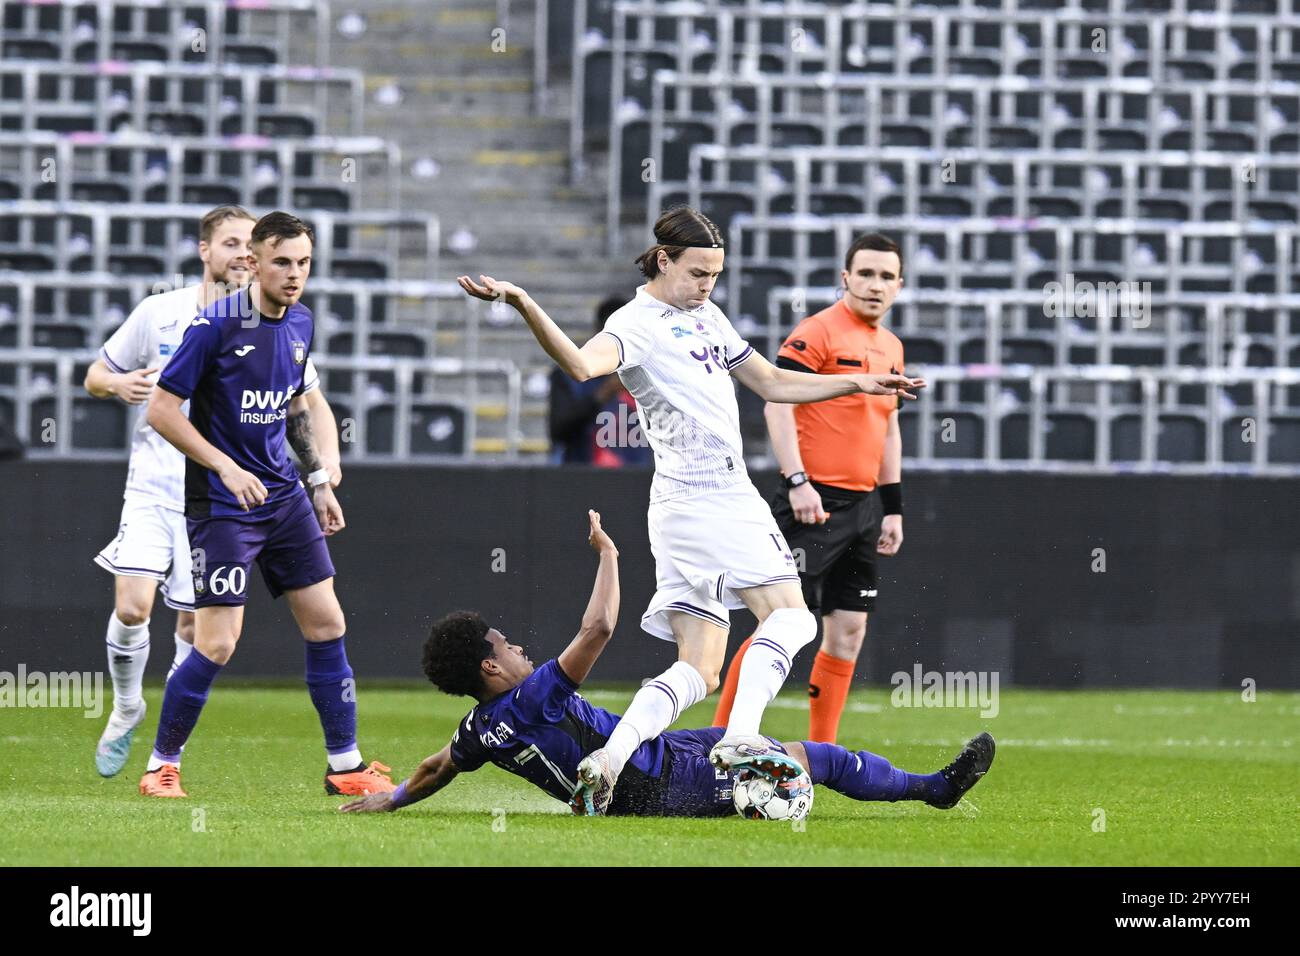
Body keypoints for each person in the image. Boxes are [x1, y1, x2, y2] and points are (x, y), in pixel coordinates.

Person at [456, 205, 926, 814]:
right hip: (712, 499)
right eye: (697, 272)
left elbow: (774, 383)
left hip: (680, 509)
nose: (707, 285)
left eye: (715, 274)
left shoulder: (705, 315)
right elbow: (578, 364)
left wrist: (857, 384)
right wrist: (522, 301)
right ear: (662, 260)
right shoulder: (638, 323)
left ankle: (611, 756)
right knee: (794, 620)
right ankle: (739, 740)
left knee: (701, 668)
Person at [339, 511, 994, 818]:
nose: (517, 647)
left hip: (656, 755)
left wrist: (391, 802)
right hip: (654, 783)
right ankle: (931, 790)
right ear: (488, 666)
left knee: (798, 753)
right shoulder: (532, 698)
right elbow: (597, 627)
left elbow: (437, 767)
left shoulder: (479, 731)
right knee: (813, 760)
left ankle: (920, 788)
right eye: (505, 643)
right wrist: (609, 556)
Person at [140, 210, 392, 798]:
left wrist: (319, 482)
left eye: (304, 262)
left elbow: (297, 409)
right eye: (283, 261)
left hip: (283, 498)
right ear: (253, 262)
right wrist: (224, 466)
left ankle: (345, 766)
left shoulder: (301, 322)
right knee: (218, 642)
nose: (295, 273)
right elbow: (161, 410)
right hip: (222, 504)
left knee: (328, 622)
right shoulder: (216, 326)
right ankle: (161, 766)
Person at [83, 205, 339, 777]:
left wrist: (320, 475)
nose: (243, 254)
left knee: (201, 631)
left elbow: (302, 398)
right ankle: (129, 710)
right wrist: (117, 383)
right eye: (232, 244)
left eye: (252, 245)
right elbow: (101, 377)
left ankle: (173, 752)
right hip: (164, 484)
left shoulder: (288, 321)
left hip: (244, 493)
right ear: (209, 251)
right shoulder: (168, 313)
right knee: (133, 607)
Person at [714, 233, 908, 744]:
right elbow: (777, 402)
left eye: (886, 276)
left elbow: (887, 427)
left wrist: (892, 507)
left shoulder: (892, 348)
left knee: (848, 632)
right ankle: (720, 739)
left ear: (900, 286)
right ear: (845, 278)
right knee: (777, 623)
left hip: (864, 508)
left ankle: (822, 750)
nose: (875, 285)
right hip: (812, 501)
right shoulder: (817, 332)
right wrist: (797, 481)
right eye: (865, 273)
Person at [547, 295, 651, 467]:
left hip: (639, 481)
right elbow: (558, 430)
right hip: (584, 478)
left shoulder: (648, 376)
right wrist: (603, 394)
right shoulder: (568, 375)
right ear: (598, 334)